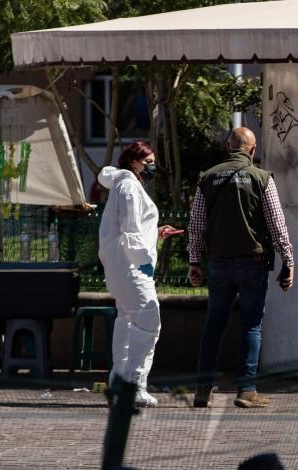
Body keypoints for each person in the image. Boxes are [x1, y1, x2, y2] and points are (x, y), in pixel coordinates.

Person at [187, 127, 294, 408]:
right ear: (253, 149)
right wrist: (288, 261)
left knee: (214, 325)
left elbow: (196, 226)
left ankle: (202, 388)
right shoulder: (261, 178)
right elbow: (276, 224)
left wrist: (194, 261)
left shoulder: (207, 178)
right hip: (253, 262)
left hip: (219, 263)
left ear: (228, 148)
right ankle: (246, 390)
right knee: (251, 326)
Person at [98, 141, 177, 407]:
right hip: (131, 267)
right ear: (134, 162)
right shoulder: (129, 186)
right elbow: (130, 231)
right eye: (148, 161)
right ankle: (134, 386)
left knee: (127, 323)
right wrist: (143, 261)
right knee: (148, 322)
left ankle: (120, 383)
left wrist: (155, 232)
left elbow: (130, 227)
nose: (152, 166)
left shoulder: (123, 184)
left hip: (121, 266)